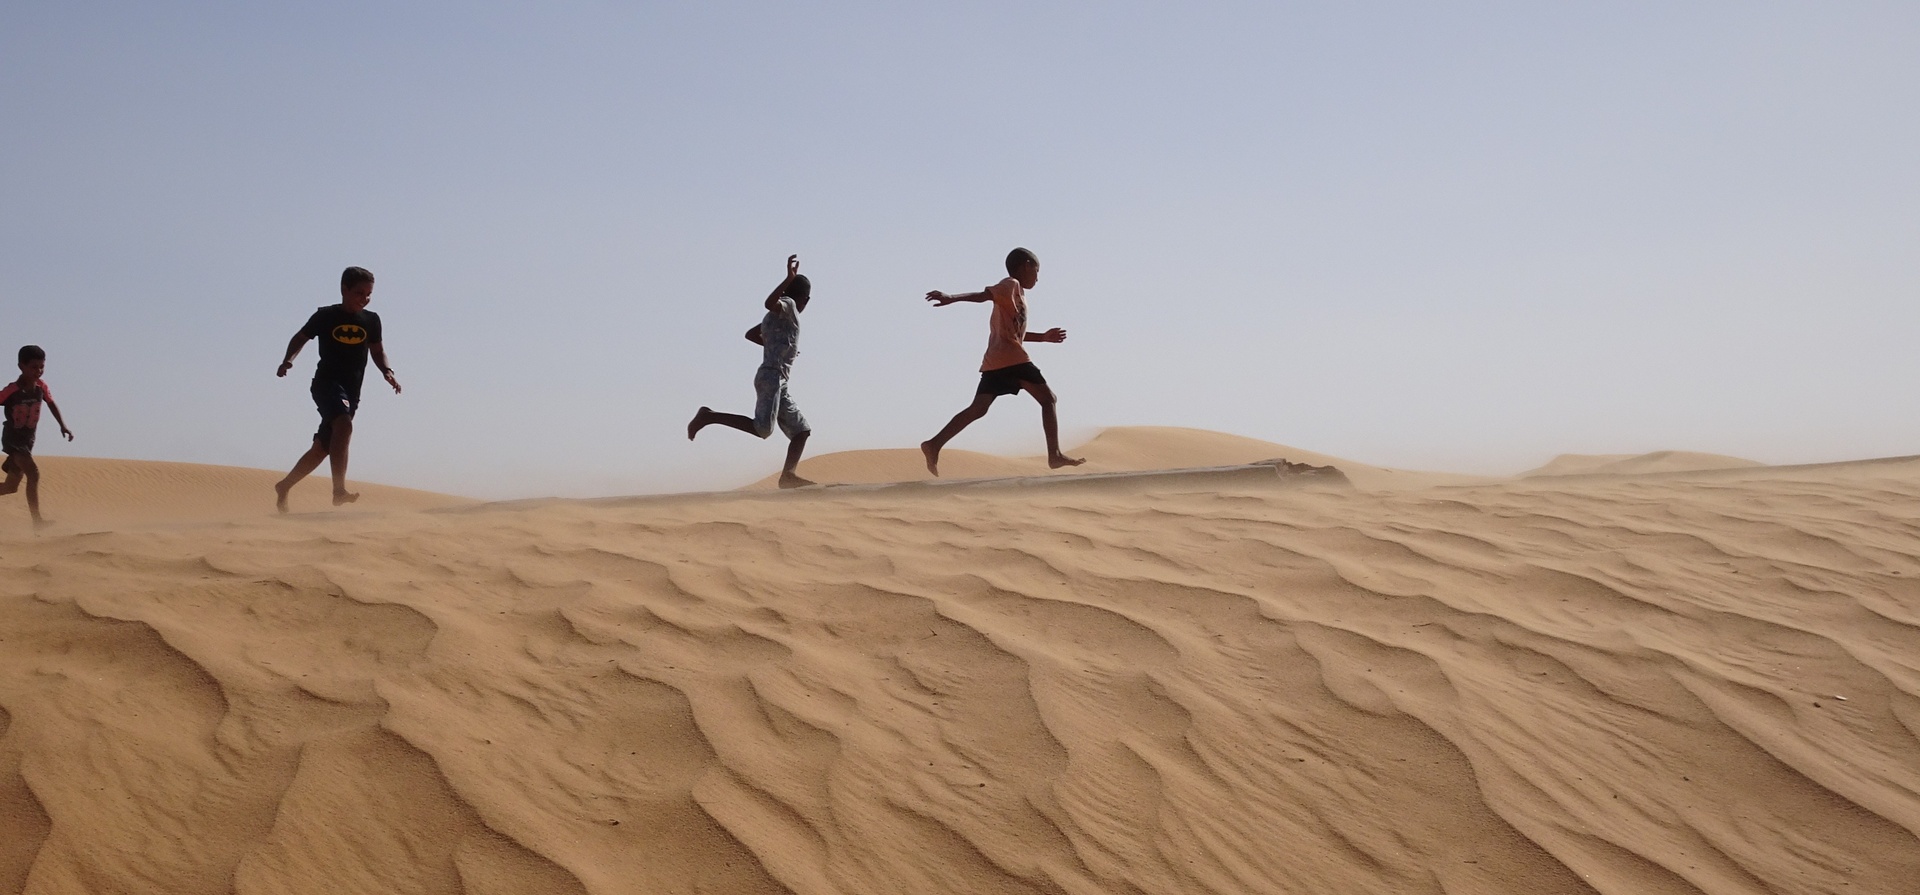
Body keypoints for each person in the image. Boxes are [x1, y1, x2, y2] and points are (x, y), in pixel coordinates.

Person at [920, 247, 1084, 476]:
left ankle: (934, 444)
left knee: (978, 409)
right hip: (1012, 358)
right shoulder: (1010, 285)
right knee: (1048, 399)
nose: (1037, 278)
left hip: (996, 360)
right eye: (1036, 271)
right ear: (1026, 265)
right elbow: (984, 295)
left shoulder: (1017, 297)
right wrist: (951, 298)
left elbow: (1014, 333)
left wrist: (1043, 338)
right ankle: (1054, 455)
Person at [273, 266, 401, 512]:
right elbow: (300, 338)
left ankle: (284, 486)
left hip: (352, 392)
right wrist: (288, 359)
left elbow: (377, 350)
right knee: (344, 424)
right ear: (344, 290)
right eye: (359, 293)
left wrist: (387, 371)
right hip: (326, 384)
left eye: (368, 294)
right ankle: (339, 491)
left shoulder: (371, 320)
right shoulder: (326, 316)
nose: (364, 298)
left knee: (323, 448)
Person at [687, 254, 817, 488]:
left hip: (777, 380)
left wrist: (783, 348)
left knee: (801, 431)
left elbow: (751, 334)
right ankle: (709, 416)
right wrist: (788, 279)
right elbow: (769, 303)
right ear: (805, 299)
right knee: (763, 429)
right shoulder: (788, 307)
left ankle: (788, 476)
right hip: (772, 377)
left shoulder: (774, 318)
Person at [1, 345, 75, 527]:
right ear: (21, 367)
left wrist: (63, 426)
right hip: (14, 441)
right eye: (34, 367)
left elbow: (51, 403)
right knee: (33, 474)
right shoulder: (12, 390)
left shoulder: (41, 387)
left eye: (42, 367)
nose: (39, 371)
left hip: (27, 442)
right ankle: (37, 521)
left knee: (10, 487)